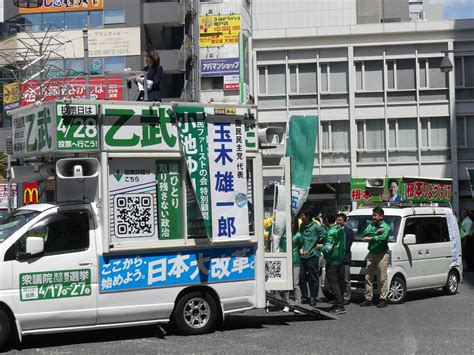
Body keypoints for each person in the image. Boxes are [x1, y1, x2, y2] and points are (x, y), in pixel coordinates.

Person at [360, 207, 392, 308]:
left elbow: (383, 238)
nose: (373, 217)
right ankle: (368, 298)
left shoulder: (386, 226)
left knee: (383, 278)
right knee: (368, 277)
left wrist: (371, 237)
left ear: (381, 216)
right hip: (372, 253)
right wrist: (376, 233)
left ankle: (383, 298)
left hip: (382, 254)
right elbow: (365, 233)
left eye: (375, 215)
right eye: (373, 215)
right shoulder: (371, 225)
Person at [317, 215, 346, 314]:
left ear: (326, 220)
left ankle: (339, 305)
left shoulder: (331, 232)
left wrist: (320, 247)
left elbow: (328, 249)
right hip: (341, 260)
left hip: (332, 260)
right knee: (339, 283)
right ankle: (338, 304)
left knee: (333, 284)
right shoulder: (340, 230)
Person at [298, 208, 326, 306]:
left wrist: (318, 244)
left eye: (302, 215)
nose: (300, 217)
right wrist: (300, 249)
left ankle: (313, 297)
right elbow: (300, 239)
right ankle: (305, 296)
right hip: (302, 256)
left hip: (312, 255)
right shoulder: (302, 225)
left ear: (307, 216)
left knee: (313, 278)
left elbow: (324, 235)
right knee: (301, 277)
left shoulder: (316, 227)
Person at [336, 213, 354, 304]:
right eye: (337, 220)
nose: (338, 222)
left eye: (340, 220)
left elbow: (348, 246)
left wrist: (337, 250)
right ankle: (339, 297)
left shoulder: (349, 231)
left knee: (346, 279)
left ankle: (347, 298)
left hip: (344, 258)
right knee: (338, 279)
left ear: (344, 221)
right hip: (335, 259)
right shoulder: (334, 230)